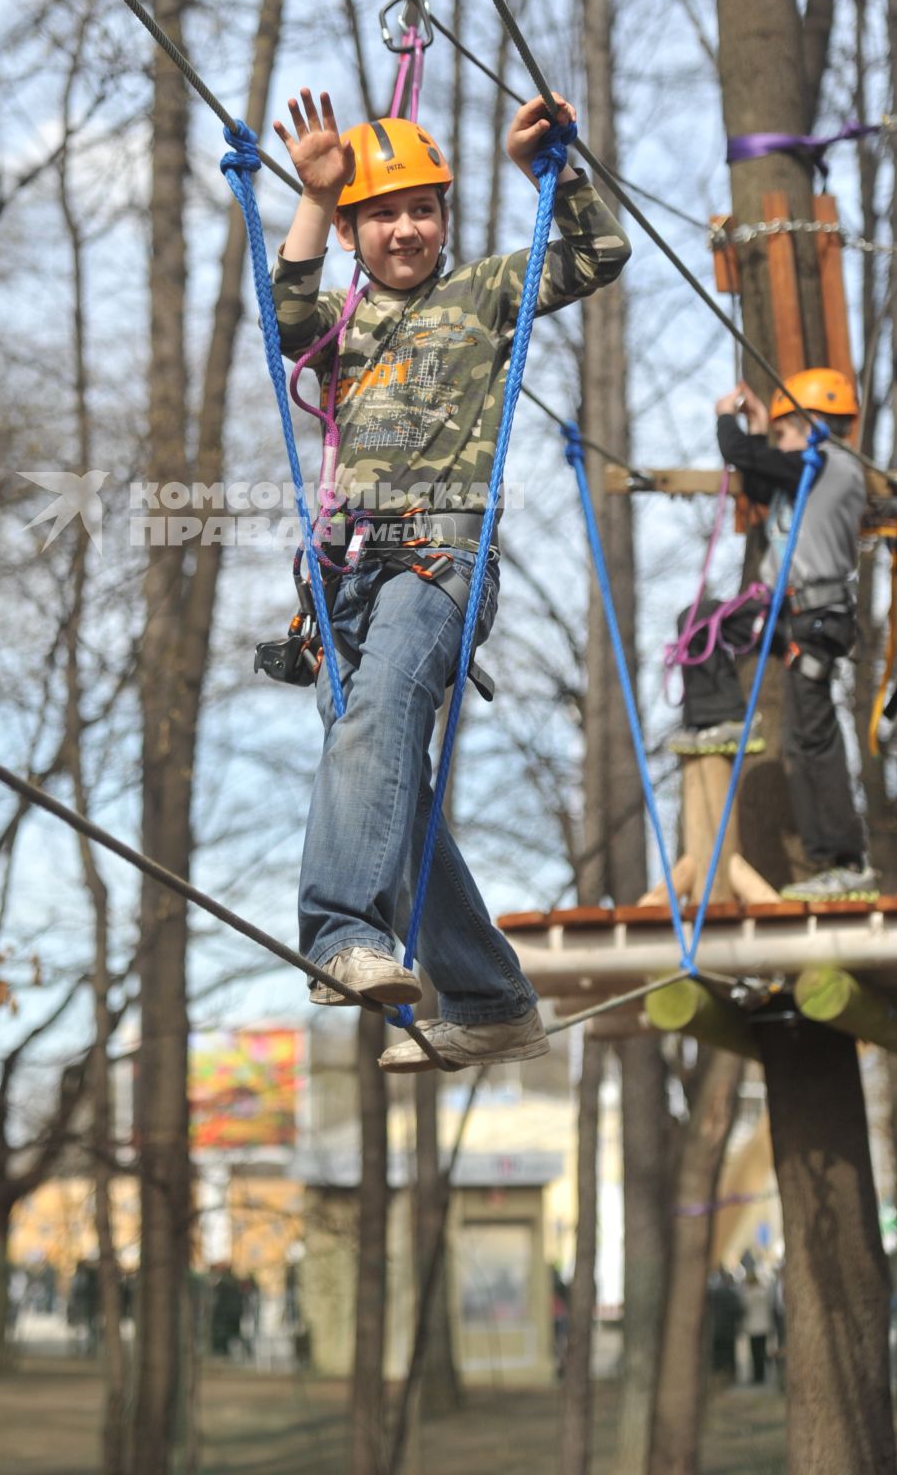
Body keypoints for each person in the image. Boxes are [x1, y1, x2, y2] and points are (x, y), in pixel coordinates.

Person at [270, 87, 631, 1071]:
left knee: (380, 707)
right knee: (392, 786)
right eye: (382, 213)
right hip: (345, 579)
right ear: (353, 229)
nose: (405, 228)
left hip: (440, 557)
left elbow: (596, 257)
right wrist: (311, 195)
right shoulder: (338, 326)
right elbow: (282, 316)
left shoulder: (480, 295)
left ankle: (342, 932)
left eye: (421, 208)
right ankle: (487, 997)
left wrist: (549, 175)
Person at [670, 369, 876, 901]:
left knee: (809, 737)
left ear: (812, 427)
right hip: (783, 609)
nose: (780, 443)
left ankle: (844, 861)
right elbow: (763, 471)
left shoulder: (834, 465)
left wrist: (727, 420)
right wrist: (763, 429)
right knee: (699, 624)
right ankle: (722, 719)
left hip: (814, 615)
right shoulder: (804, 472)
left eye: (786, 432)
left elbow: (751, 459)